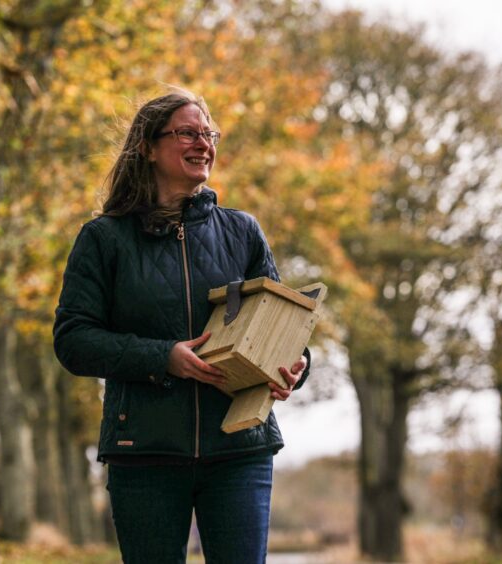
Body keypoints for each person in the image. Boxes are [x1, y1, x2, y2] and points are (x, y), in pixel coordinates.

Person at [53, 89, 310, 564]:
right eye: (188, 132)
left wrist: (295, 365)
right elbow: (73, 340)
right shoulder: (104, 239)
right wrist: (163, 357)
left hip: (240, 450)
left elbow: (283, 321)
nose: (204, 143)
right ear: (149, 147)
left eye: (208, 133)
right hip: (145, 452)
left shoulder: (243, 232)